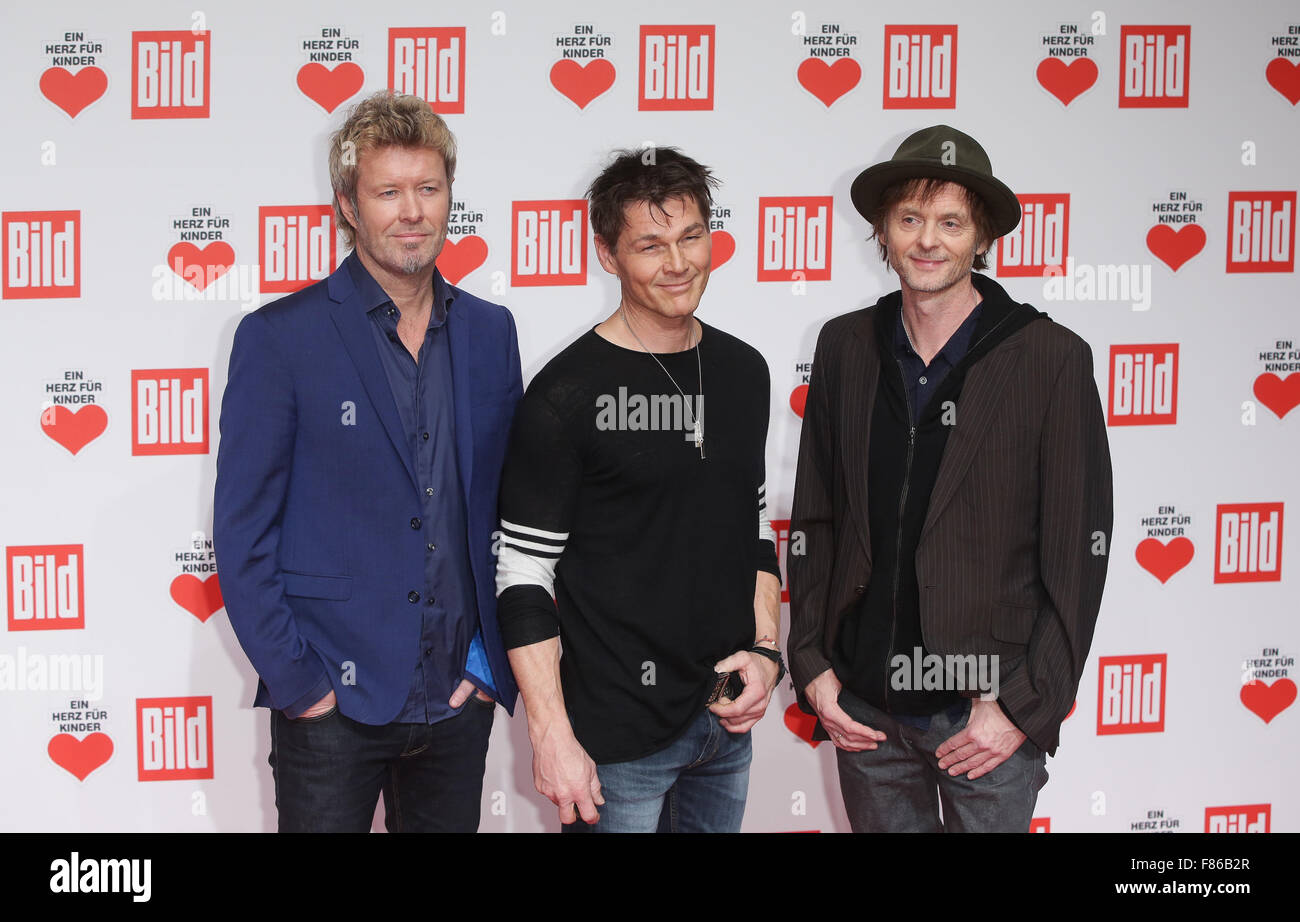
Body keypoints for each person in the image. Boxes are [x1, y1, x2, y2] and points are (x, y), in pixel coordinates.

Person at [788, 125, 1112, 832]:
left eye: (950, 222)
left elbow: (1077, 554)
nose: (927, 240)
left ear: (981, 236)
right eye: (909, 219)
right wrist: (812, 661)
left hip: (983, 719)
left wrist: (1023, 706)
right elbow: (816, 516)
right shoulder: (845, 344)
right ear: (882, 232)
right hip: (866, 711)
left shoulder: (1049, 359)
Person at [213, 91, 522, 832]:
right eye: (388, 192)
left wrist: (485, 667)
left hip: (455, 701)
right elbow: (242, 531)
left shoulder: (489, 331)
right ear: (348, 205)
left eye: (428, 188)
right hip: (331, 708)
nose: (412, 211)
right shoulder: (280, 338)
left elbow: (513, 509)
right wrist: (302, 686)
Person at [494, 147, 784, 833]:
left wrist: (767, 651)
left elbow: (755, 528)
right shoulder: (566, 393)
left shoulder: (745, 371)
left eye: (690, 237)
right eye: (650, 245)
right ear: (607, 254)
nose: (678, 263)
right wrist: (550, 736)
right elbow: (523, 573)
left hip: (723, 721)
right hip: (614, 743)